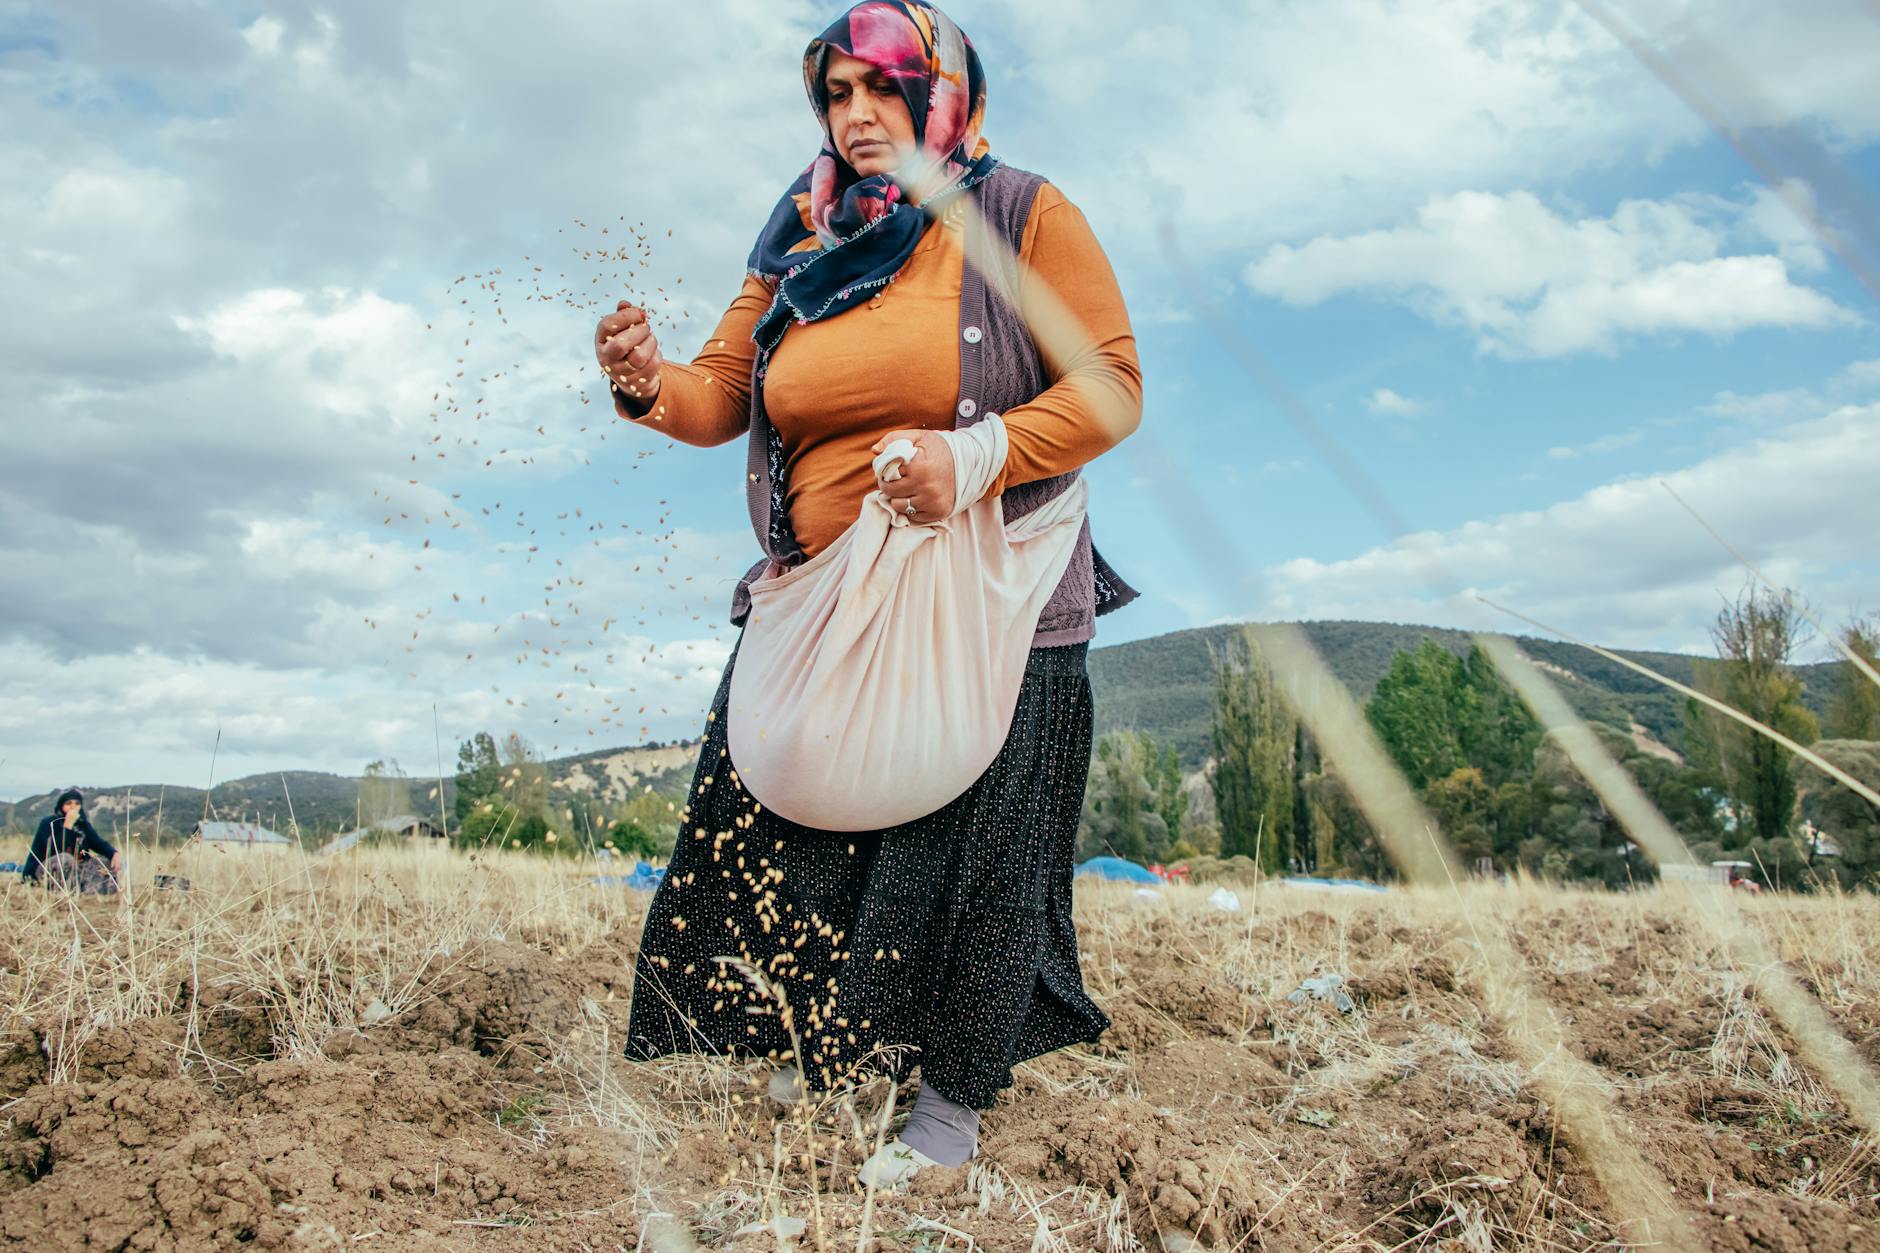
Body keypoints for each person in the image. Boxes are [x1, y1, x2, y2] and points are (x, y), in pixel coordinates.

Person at [598, 1, 1142, 1190]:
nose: (854, 115)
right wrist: (646, 385)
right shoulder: (797, 233)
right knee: (787, 820)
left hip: (988, 591)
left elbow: (1110, 386)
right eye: (834, 92)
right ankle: (828, 1048)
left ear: (941, 93)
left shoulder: (1016, 214)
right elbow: (719, 394)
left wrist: (978, 454)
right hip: (825, 597)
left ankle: (946, 1105)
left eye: (880, 88)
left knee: (970, 848)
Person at [23, 789, 123, 893]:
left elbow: (98, 843)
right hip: (47, 868)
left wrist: (113, 853)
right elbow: (54, 849)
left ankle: (94, 891)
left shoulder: (83, 825)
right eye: (68, 803)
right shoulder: (49, 823)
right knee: (65, 858)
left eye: (77, 803)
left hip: (77, 869)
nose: (73, 806)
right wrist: (67, 826)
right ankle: (65, 890)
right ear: (61, 806)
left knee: (104, 861)